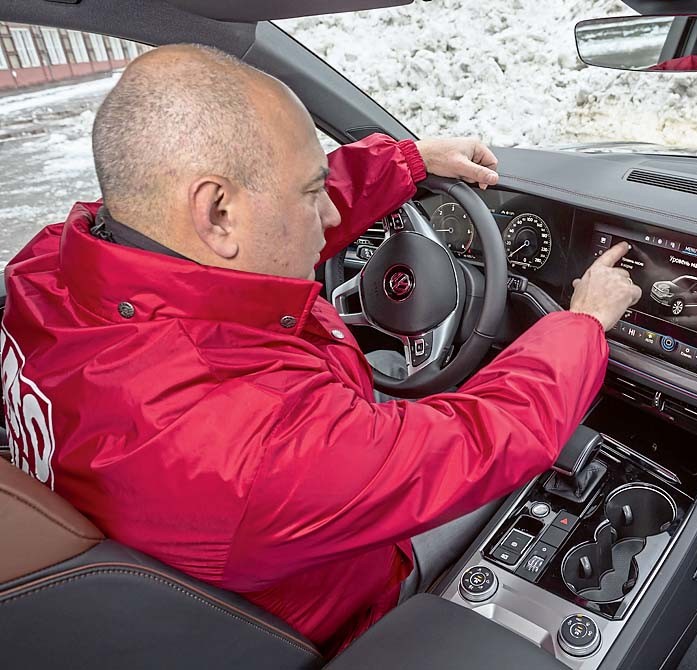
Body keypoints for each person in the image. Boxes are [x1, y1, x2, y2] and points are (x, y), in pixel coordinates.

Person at [1, 44, 640, 654]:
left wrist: (404, 165)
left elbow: (225, 239)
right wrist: (580, 324)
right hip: (345, 609)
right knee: (531, 478)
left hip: (224, 561)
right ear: (217, 212)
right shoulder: (255, 449)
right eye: (313, 193)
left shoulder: (49, 270)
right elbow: (482, 437)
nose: (331, 217)